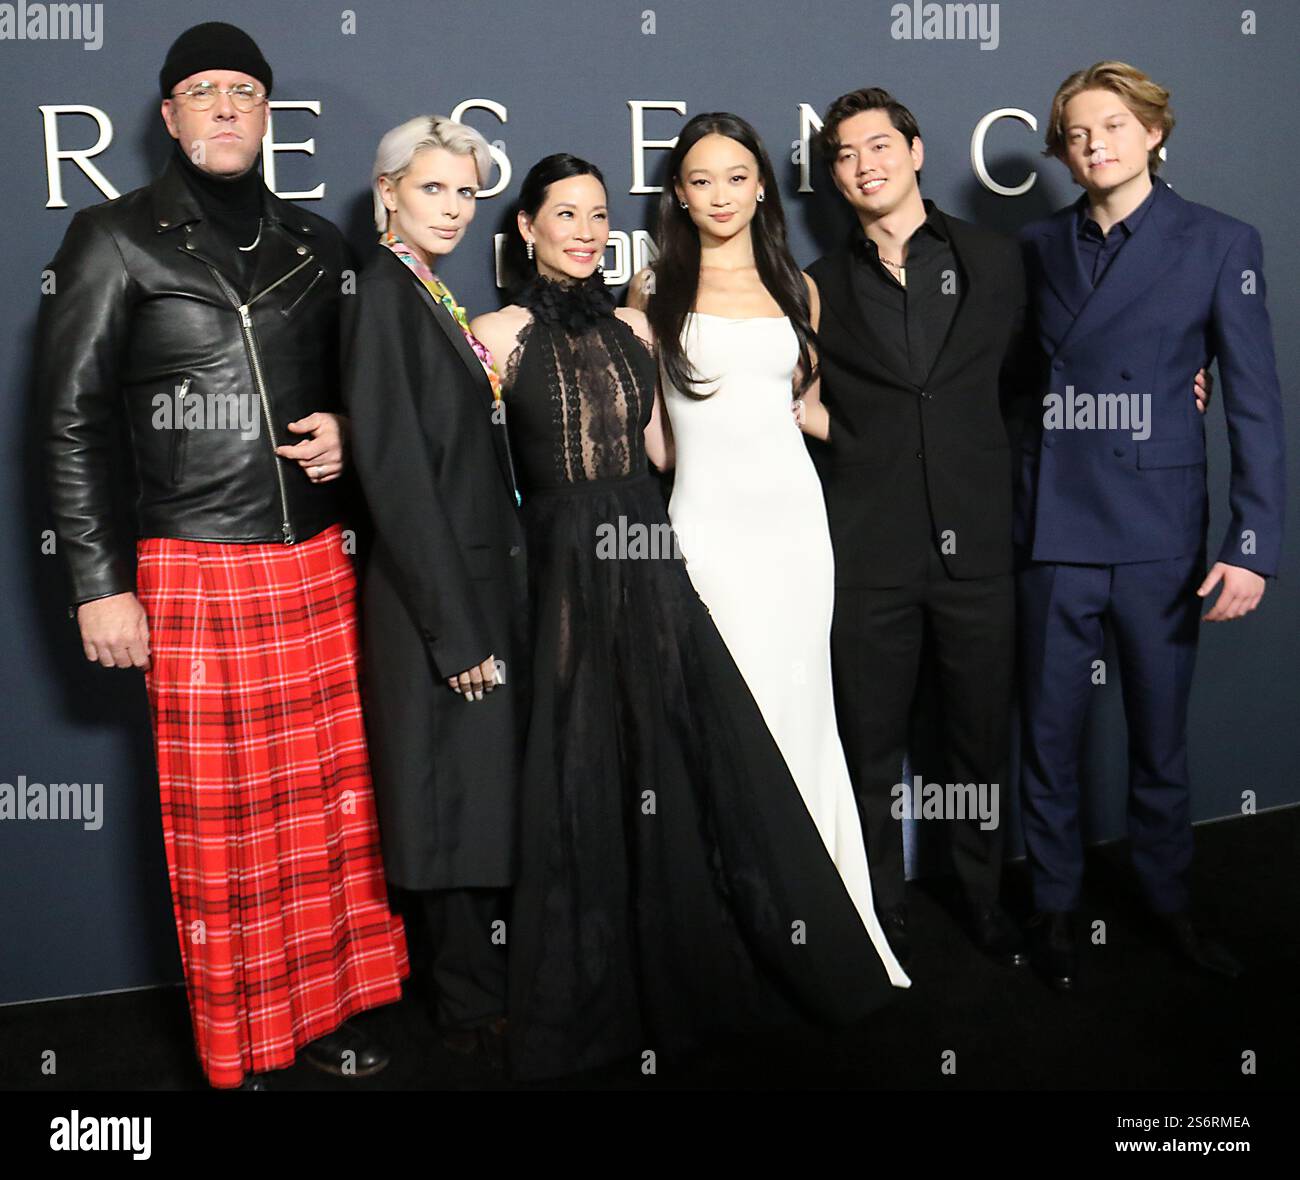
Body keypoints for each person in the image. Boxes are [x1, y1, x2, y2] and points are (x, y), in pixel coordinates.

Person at [471, 154, 908, 1082]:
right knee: (575, 753)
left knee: (673, 744)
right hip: (554, 561)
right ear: (525, 228)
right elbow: (454, 453)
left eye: (597, 214)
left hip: (646, 545)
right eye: (565, 214)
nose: (584, 229)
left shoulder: (638, 321)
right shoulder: (495, 332)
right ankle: (592, 977)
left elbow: (667, 442)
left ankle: (706, 952)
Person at [36, 22, 406, 1089]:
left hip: (316, 562)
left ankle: (334, 1007)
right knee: (229, 828)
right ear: (171, 115)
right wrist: (100, 585)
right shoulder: (111, 238)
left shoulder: (315, 244)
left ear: (266, 111)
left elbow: (359, 385)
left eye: (244, 89)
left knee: (335, 812)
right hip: (196, 566)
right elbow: (69, 421)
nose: (227, 106)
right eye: (204, 90)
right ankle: (246, 1036)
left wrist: (343, 424)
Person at [1016, 61, 1285, 988]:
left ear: (1154, 133)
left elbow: (1255, 405)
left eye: (1115, 126)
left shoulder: (1220, 241)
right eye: (1080, 132)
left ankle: (1169, 906)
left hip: (1161, 531)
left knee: (1159, 740)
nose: (1096, 144)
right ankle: (1053, 910)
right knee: (1048, 739)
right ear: (1063, 148)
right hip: (1053, 525)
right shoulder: (1036, 244)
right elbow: (1013, 382)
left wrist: (1253, 545)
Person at [631, 113, 906, 971]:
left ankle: (830, 918)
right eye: (701, 179)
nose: (720, 194)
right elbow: (656, 440)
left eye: (737, 176)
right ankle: (737, 928)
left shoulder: (799, 286)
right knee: (722, 723)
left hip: (793, 529)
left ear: (761, 186)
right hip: (706, 529)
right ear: (679, 192)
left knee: (801, 715)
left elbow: (807, 408)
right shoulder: (650, 289)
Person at [797, 90, 1028, 969]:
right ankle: (878, 906)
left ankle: (981, 899)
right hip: (869, 549)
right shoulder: (815, 285)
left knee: (976, 742)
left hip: (978, 547)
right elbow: (795, 400)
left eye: (881, 145)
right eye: (847, 154)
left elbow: (1035, 381)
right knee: (869, 743)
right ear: (835, 176)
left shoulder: (998, 259)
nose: (866, 164)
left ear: (918, 151)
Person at [339, 116, 528, 1064]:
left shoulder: (426, 291)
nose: (452, 208)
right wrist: (455, 636)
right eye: (432, 190)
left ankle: (478, 990)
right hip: (432, 603)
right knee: (450, 801)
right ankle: (465, 1003)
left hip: (470, 588)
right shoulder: (380, 293)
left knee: (474, 792)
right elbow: (396, 474)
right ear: (387, 193)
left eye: (465, 192)